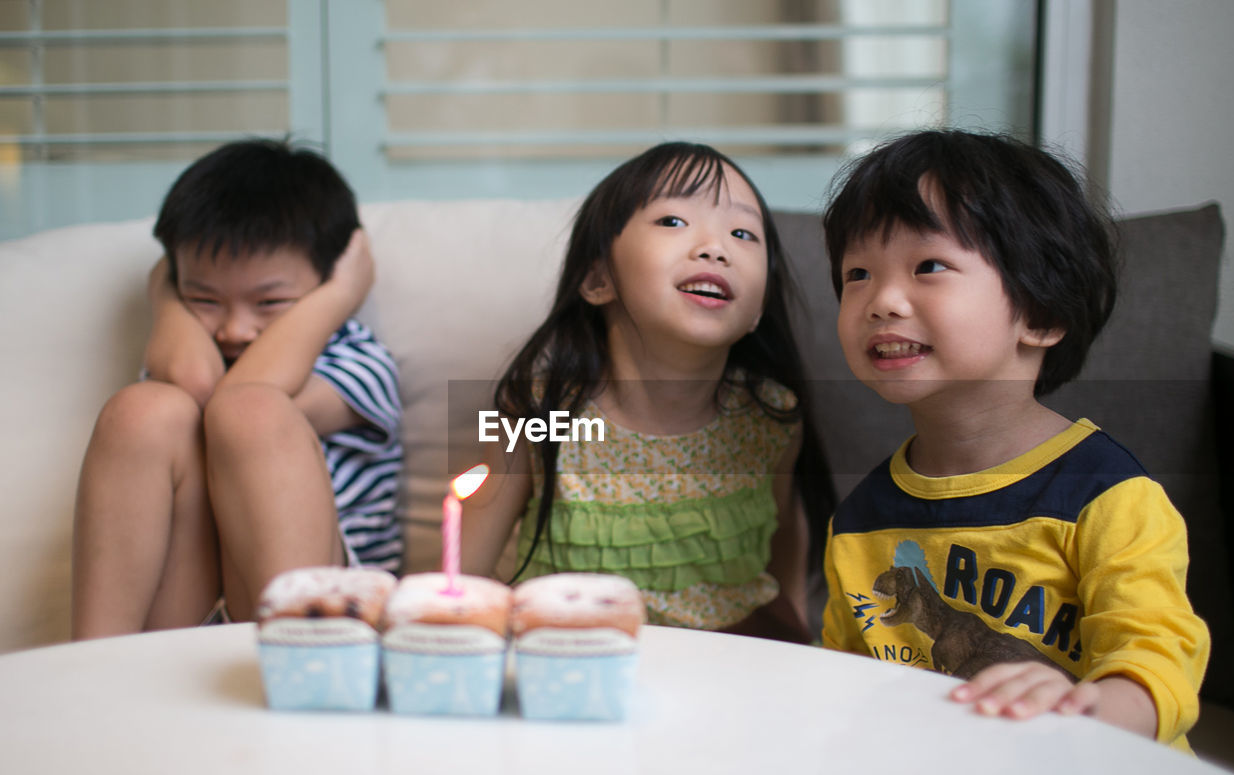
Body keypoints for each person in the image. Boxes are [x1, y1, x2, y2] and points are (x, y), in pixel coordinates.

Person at [820, 129, 1209, 749]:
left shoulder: (1108, 498)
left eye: (928, 266)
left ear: (1042, 313)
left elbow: (1157, 658)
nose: (882, 301)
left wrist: (1085, 715)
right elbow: (841, 685)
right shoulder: (860, 522)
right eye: (857, 274)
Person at [461, 142, 832, 642]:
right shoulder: (536, 410)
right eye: (673, 221)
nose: (715, 248)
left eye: (743, 234)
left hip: (736, 663)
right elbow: (461, 574)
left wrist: (797, 623)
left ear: (759, 308)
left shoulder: (772, 416)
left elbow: (788, 533)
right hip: (572, 653)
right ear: (598, 279)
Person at [71, 139, 402, 638]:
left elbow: (239, 402)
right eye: (201, 298)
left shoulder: (358, 360)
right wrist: (164, 297)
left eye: (270, 302)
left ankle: (307, 654)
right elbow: (197, 383)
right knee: (142, 411)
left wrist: (339, 297)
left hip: (331, 611)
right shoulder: (184, 358)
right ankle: (91, 662)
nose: (233, 330)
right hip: (191, 615)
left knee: (252, 413)